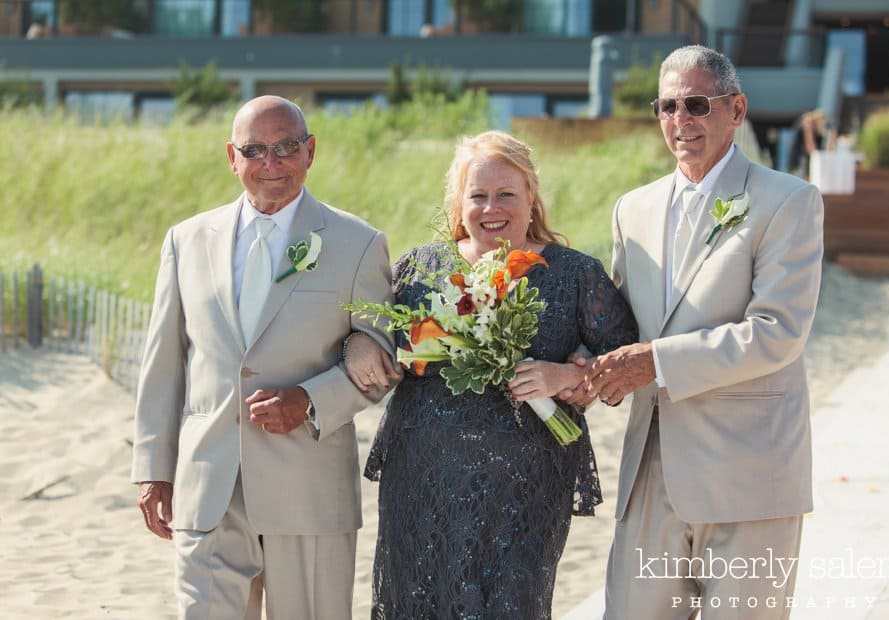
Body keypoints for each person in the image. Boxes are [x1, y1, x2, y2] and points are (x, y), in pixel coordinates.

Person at [345, 130, 638, 618]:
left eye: (506, 194)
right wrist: (359, 345)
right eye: (477, 195)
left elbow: (621, 364)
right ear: (459, 202)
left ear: (531, 197)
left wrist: (561, 376)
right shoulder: (420, 268)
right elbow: (374, 337)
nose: (490, 208)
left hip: (524, 486)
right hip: (423, 474)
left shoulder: (573, 273)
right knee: (416, 600)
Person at [130, 95, 393, 619]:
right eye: (255, 150)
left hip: (309, 493)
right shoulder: (185, 241)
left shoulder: (358, 243)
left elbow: (381, 362)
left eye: (286, 147)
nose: (271, 164)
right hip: (208, 490)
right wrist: (154, 468)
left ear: (310, 151)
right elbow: (163, 363)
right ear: (232, 157)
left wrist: (311, 400)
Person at [585, 45, 824, 618]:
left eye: (696, 104)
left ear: (736, 110)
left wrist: (656, 363)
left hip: (748, 476)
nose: (680, 121)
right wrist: (577, 367)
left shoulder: (789, 201)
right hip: (650, 472)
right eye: (667, 106)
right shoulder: (631, 209)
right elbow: (618, 327)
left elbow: (776, 332)